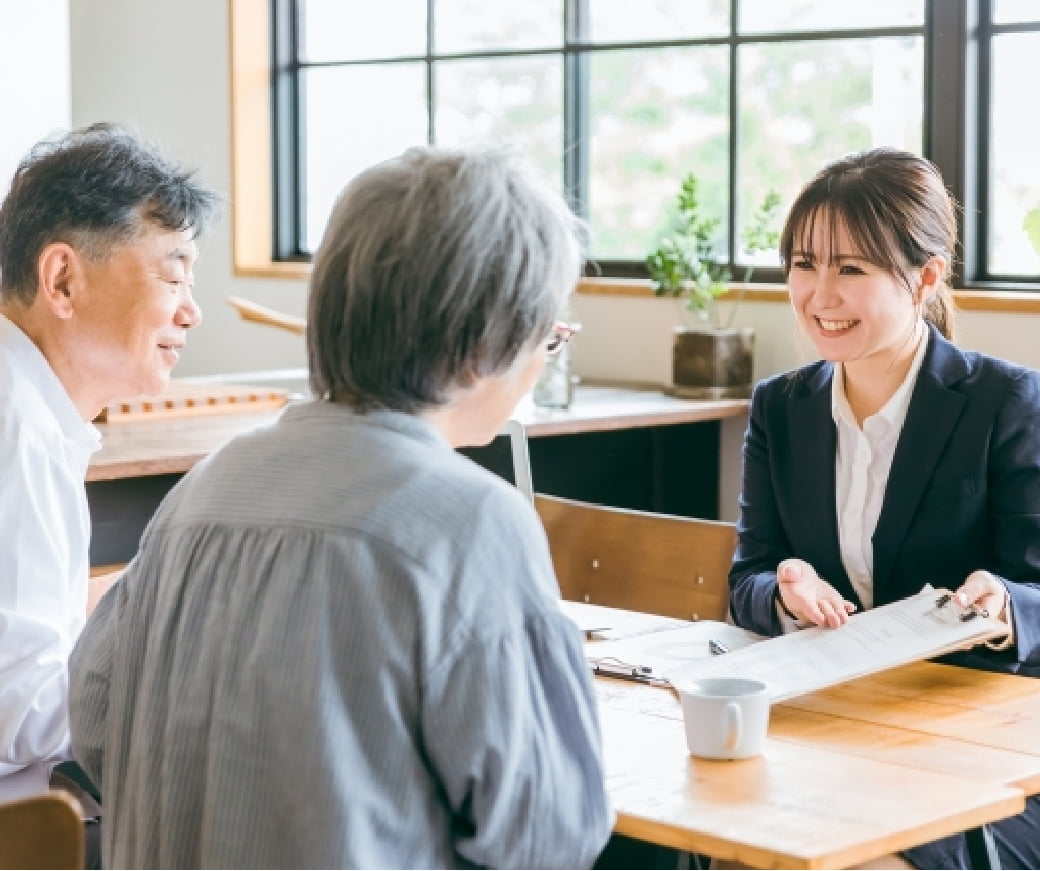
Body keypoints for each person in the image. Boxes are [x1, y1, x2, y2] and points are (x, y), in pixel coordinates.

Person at [68, 146, 614, 868]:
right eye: (547, 332)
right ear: (485, 343)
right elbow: (548, 832)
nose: (544, 355)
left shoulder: (204, 488)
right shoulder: (472, 521)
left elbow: (96, 719)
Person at [728, 146, 1040, 869]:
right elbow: (747, 577)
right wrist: (785, 589)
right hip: (830, 733)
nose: (819, 294)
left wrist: (1003, 608)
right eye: (805, 263)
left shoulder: (1005, 402)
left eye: (851, 269)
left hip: (980, 759)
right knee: (741, 847)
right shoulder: (781, 406)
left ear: (925, 278)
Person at [0, 123, 216, 805]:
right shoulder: (18, 429)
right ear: (62, 277)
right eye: (173, 274)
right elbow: (23, 710)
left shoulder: (26, 402)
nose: (193, 311)